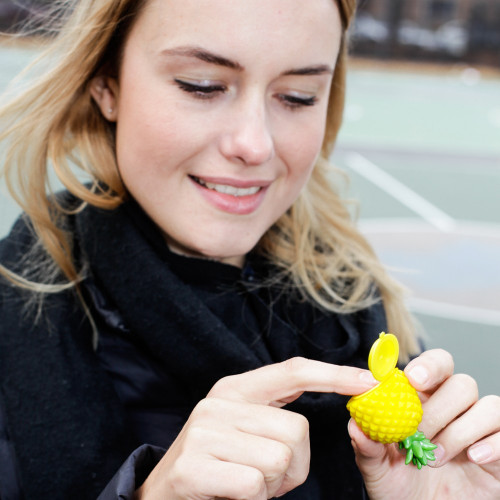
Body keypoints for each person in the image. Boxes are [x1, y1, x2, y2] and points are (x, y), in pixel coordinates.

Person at [0, 0, 498, 498]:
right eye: (202, 85)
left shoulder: (352, 295)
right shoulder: (16, 319)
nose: (254, 144)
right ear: (106, 84)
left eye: (299, 97)